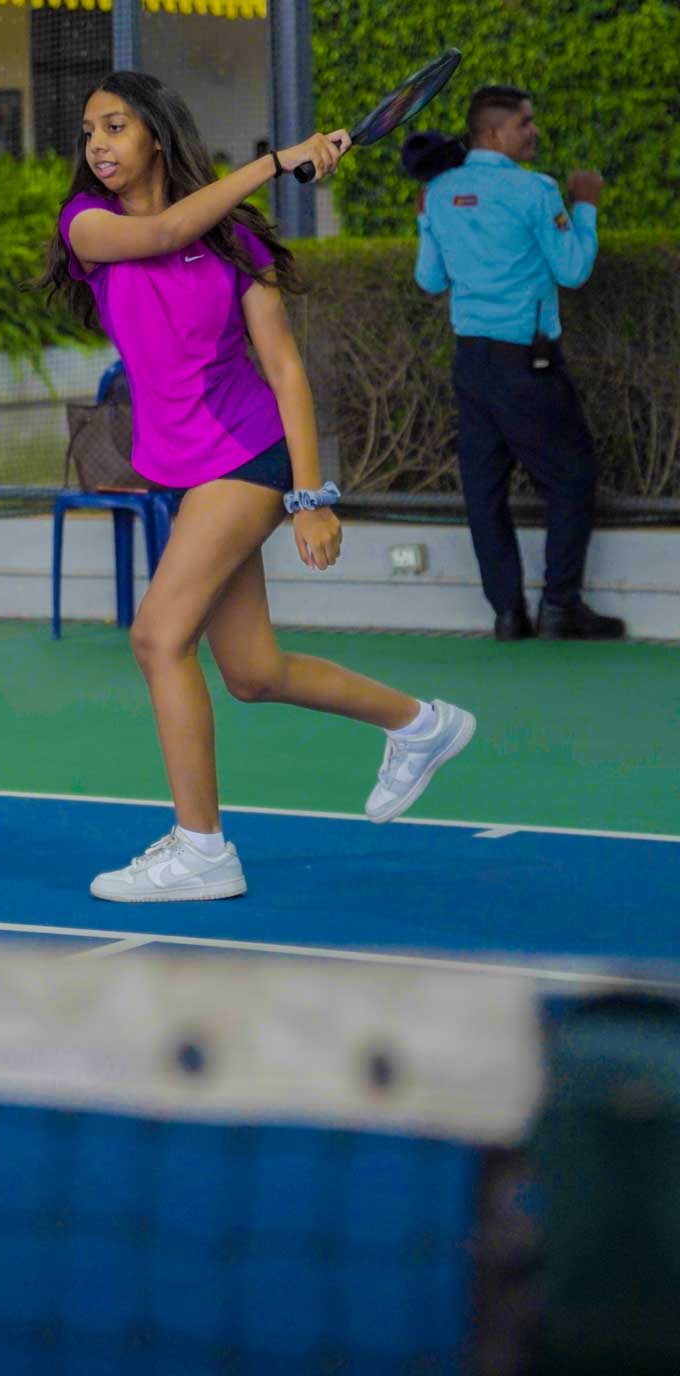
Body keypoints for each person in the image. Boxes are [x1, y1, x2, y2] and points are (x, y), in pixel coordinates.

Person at [42, 70, 476, 905]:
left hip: (247, 454)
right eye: (89, 130)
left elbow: (284, 369)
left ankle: (202, 850)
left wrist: (311, 496)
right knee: (252, 671)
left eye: (116, 126)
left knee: (157, 638)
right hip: (188, 470)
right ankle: (420, 724)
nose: (97, 144)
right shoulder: (86, 225)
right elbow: (167, 228)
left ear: (157, 135)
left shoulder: (237, 242)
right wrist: (279, 161)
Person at [408, 84, 624, 643]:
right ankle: (560, 606)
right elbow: (573, 269)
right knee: (572, 477)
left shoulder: (438, 193)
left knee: (484, 489)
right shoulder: (536, 191)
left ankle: (507, 614)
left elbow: (429, 280)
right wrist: (586, 205)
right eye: (524, 123)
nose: (534, 131)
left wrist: (426, 222)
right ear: (493, 132)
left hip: (472, 363)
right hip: (528, 363)